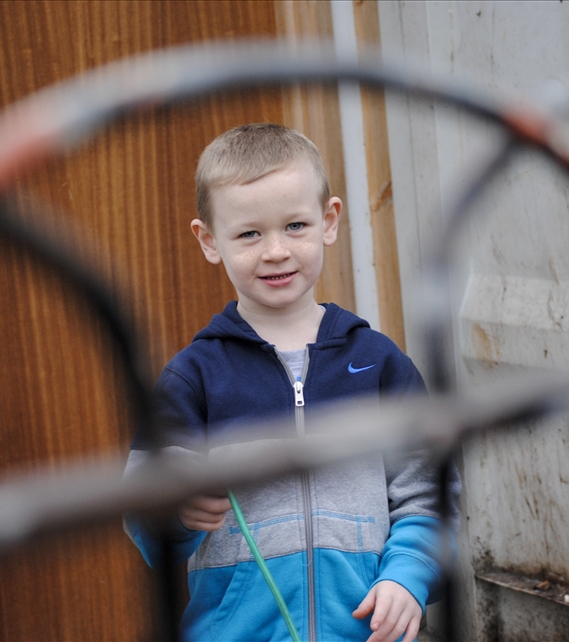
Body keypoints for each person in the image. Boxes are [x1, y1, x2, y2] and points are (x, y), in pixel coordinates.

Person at [125, 123, 457, 642]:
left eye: (296, 225)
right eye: (249, 233)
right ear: (209, 240)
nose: (276, 250)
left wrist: (408, 576)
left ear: (329, 221)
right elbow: (146, 512)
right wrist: (177, 511)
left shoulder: (380, 364)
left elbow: (431, 495)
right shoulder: (193, 377)